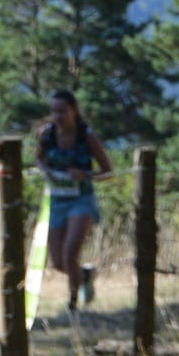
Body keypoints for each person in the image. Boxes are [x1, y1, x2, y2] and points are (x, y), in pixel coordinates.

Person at [35, 89, 113, 311]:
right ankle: (85, 275)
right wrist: (44, 169)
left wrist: (85, 175)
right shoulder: (46, 134)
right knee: (58, 262)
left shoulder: (86, 136)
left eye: (62, 111)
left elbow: (108, 171)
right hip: (57, 200)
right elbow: (38, 158)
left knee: (70, 254)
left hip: (81, 200)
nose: (58, 116)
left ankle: (72, 303)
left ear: (74, 111)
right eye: (54, 111)